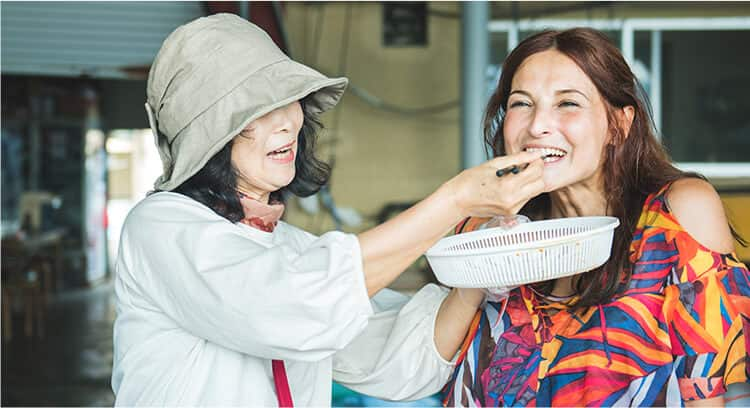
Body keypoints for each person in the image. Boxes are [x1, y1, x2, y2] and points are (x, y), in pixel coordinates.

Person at [110, 14, 546, 406]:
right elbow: (293, 306)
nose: (284, 122)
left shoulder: (287, 247)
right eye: (253, 114)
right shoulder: (159, 229)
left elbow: (394, 359)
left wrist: (477, 270)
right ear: (208, 141)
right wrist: (456, 201)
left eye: (287, 100)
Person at [440, 28, 750, 407]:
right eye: (522, 104)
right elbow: (424, 367)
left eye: (567, 103)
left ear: (619, 124)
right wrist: (482, 257)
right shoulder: (482, 227)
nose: (537, 126)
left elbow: (706, 391)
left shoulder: (676, 216)